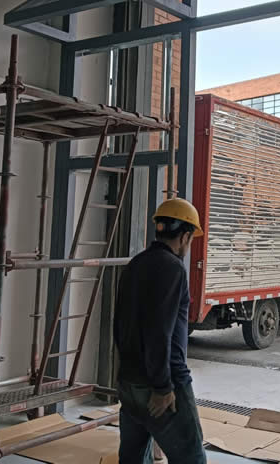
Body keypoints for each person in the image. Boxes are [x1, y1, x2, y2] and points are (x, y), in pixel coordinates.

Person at [114, 198, 207, 464]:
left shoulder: (135, 264)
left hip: (129, 382)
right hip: (161, 385)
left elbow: (119, 324)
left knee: (132, 458)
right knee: (191, 457)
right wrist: (163, 386)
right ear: (185, 236)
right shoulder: (172, 268)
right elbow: (159, 332)